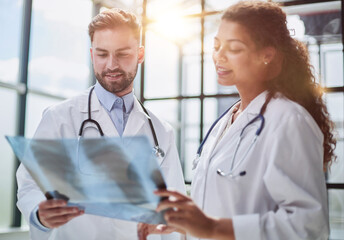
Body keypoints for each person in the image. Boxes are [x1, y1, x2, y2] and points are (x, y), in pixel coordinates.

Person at [142, 1, 336, 240]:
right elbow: (225, 205)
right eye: (216, 46)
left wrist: (212, 228)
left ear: (266, 55)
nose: (219, 56)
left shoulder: (288, 120)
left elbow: (308, 227)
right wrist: (186, 223)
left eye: (233, 48)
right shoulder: (227, 120)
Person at [16, 8, 185, 240]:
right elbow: (29, 184)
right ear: (91, 53)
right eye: (102, 54)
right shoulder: (60, 117)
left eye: (123, 54)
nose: (111, 65)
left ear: (140, 54)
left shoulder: (161, 132)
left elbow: (172, 209)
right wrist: (40, 216)